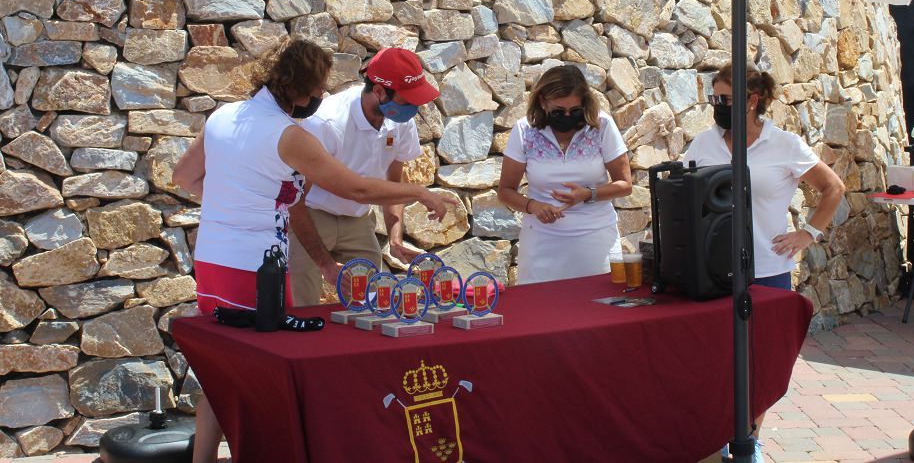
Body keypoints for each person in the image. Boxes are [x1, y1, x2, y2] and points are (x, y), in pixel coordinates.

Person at [171, 38, 455, 463]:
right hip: (256, 267)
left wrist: (235, 206)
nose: (322, 97)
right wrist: (419, 191)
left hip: (213, 259)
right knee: (259, 373)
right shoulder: (289, 134)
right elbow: (352, 187)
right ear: (301, 90)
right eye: (319, 89)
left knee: (220, 369)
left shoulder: (223, 114)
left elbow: (185, 177)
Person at [683, 64, 845, 463]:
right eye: (714, 98)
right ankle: (721, 432)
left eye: (724, 99)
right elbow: (681, 192)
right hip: (713, 271)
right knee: (717, 357)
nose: (716, 106)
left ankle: (751, 437)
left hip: (768, 270)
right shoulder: (703, 144)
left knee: (762, 359)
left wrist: (808, 233)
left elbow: (833, 188)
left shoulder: (784, 144)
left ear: (751, 101)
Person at [288, 48, 436, 306]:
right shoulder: (326, 121)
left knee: (372, 305)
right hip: (312, 216)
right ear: (379, 91)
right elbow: (296, 199)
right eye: (407, 100)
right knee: (303, 306)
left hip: (358, 219)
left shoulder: (401, 122)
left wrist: (395, 236)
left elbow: (392, 185)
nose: (414, 107)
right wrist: (324, 263)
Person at [497, 65, 632, 284]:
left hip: (596, 241)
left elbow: (625, 184)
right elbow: (505, 191)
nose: (567, 117)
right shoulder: (524, 131)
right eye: (559, 111)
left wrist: (588, 194)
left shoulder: (602, 126)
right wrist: (534, 207)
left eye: (575, 111)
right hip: (542, 242)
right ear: (542, 102)